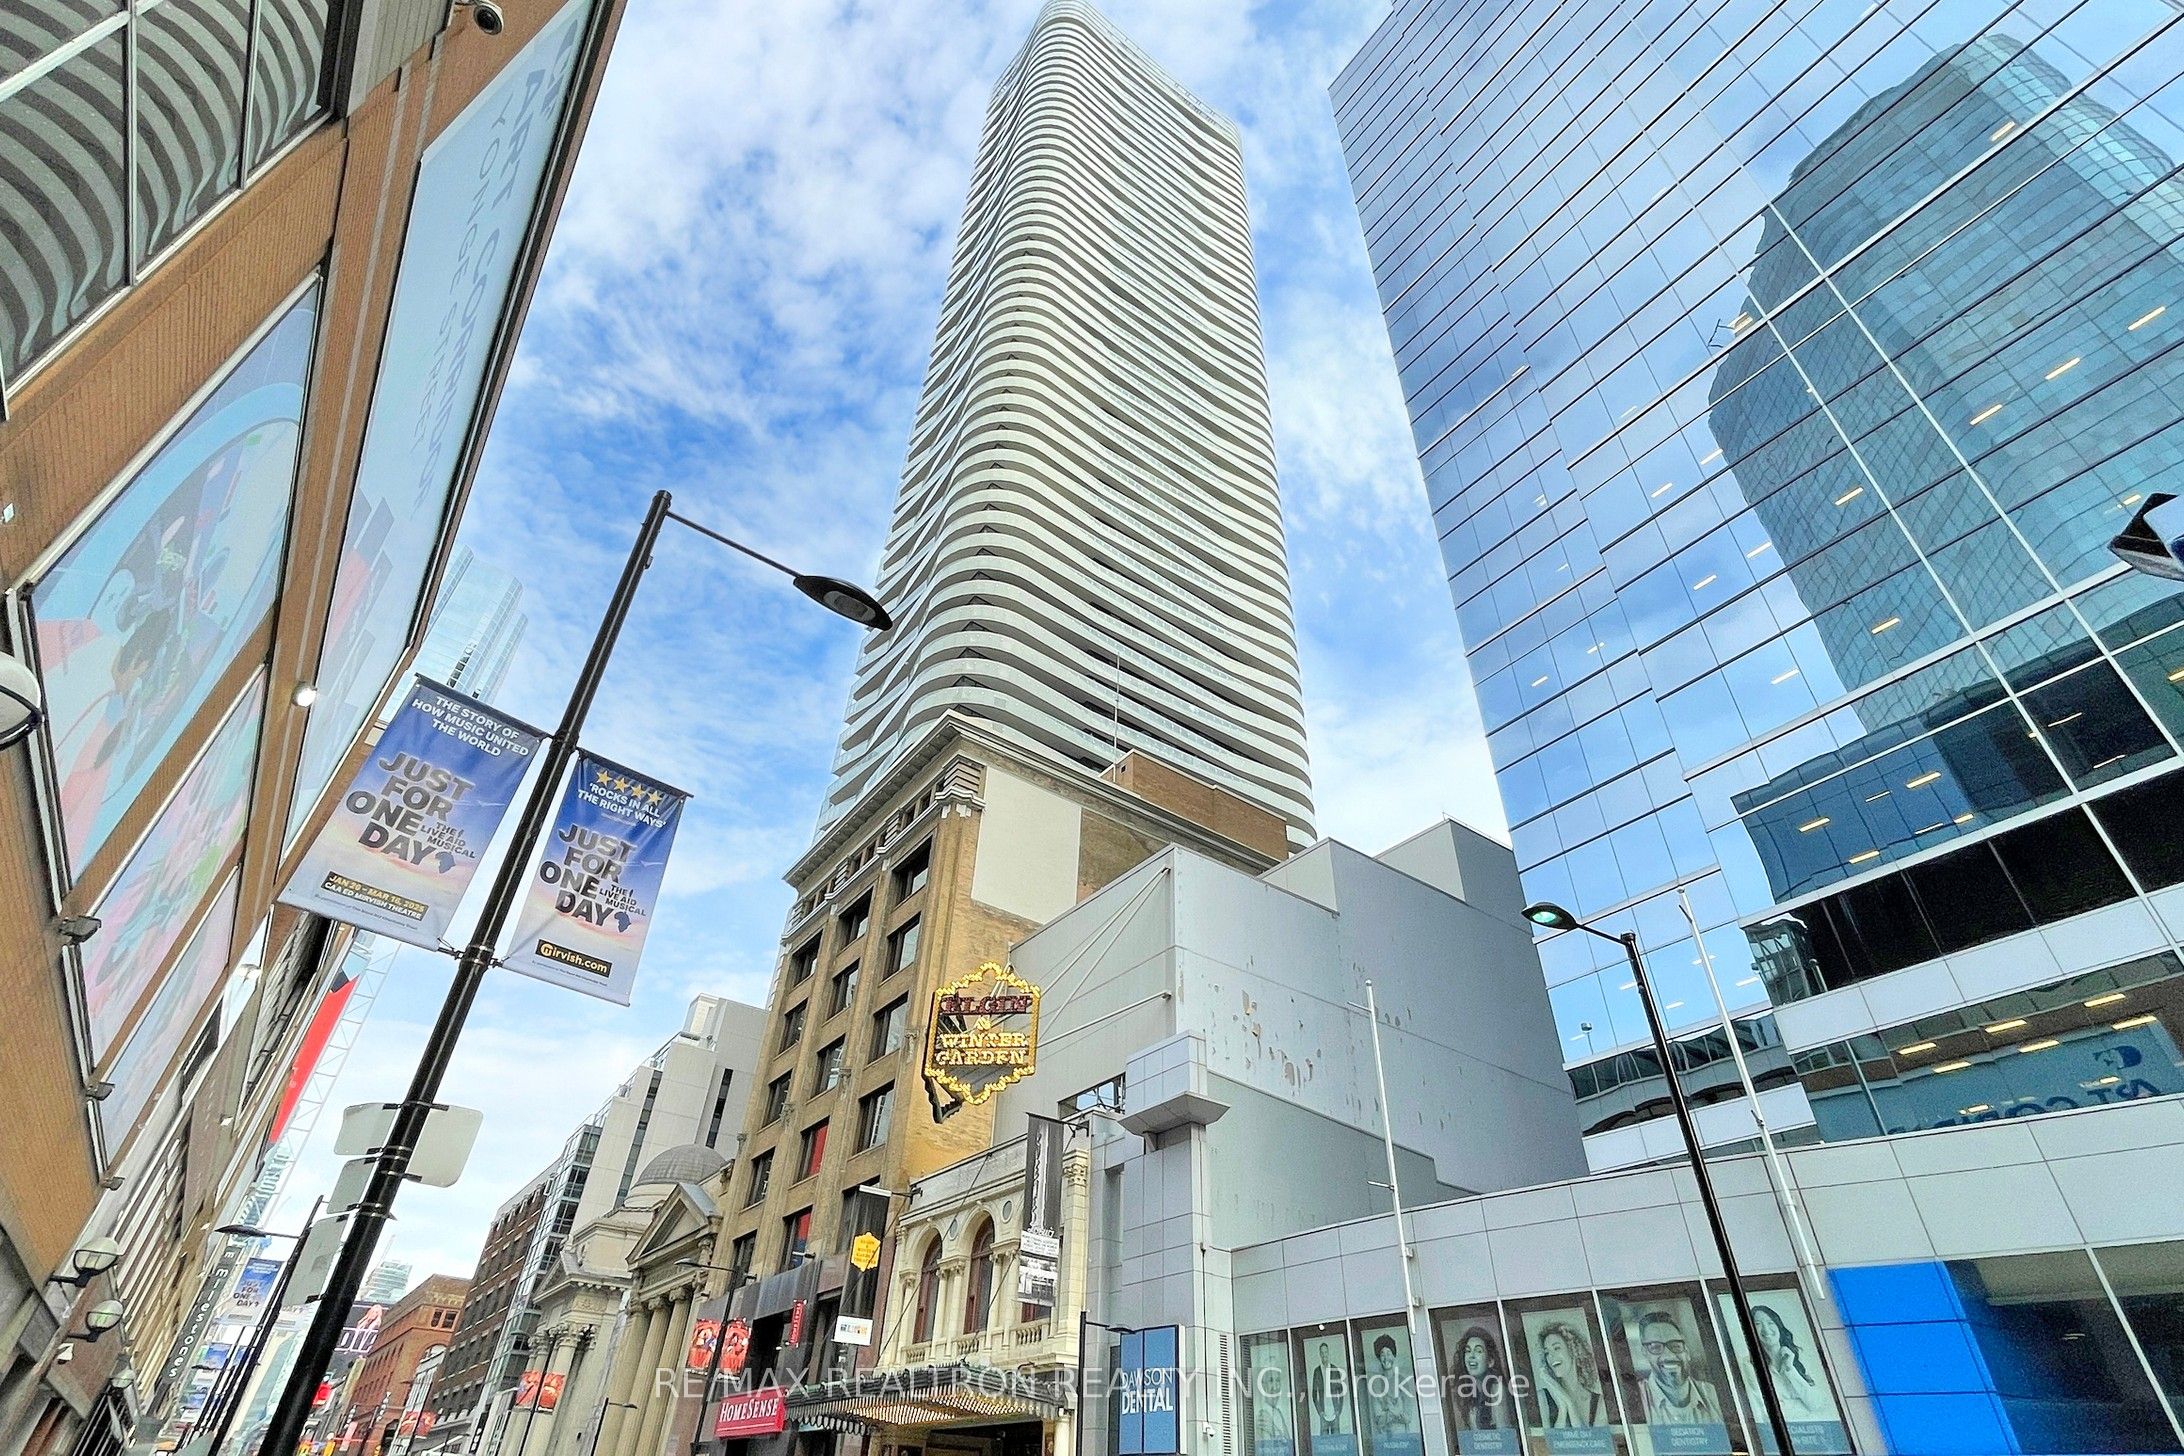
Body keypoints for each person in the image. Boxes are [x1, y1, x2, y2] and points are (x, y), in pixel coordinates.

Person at [1634, 1309, 1724, 1426]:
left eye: (1675, 1346)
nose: (1669, 1355)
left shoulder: (1714, 1395)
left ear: (1687, 1351)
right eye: (1655, 1347)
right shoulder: (1634, 1398)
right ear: (1645, 1353)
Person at [1752, 1305, 1831, 1421]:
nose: (1766, 1329)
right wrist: (1801, 1406)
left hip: (1813, 1428)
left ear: (1778, 1326)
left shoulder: (1799, 1357)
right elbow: (1763, 1413)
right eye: (1758, 1324)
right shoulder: (1750, 1365)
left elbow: (1817, 1404)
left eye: (1770, 1323)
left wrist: (1790, 1370)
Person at [1533, 1320, 1608, 1427]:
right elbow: (1555, 1437)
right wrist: (1563, 1408)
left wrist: (1569, 1403)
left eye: (1556, 1348)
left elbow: (1583, 1437)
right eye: (1547, 1352)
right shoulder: (1543, 1398)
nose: (1551, 1356)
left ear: (1573, 1350)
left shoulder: (1598, 1403)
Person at [1449, 1326, 1515, 1430]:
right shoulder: (1470, 1391)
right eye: (1468, 1351)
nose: (1472, 1356)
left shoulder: (1497, 1389)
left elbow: (1504, 1433)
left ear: (1490, 1361)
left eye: (1478, 1351)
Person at [1364, 1334, 1415, 1440]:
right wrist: (1396, 1411)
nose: (1386, 1358)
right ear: (1379, 1358)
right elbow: (1378, 1420)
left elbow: (1408, 1417)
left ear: (1394, 1356)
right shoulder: (1376, 1384)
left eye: (1389, 1353)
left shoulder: (1402, 1381)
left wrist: (1387, 1413)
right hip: (1383, 1438)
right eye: (1382, 1354)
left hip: (1402, 1438)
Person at [1307, 1339, 1350, 1437]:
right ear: (1319, 1354)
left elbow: (1341, 1392)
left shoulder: (1334, 1369)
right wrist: (1320, 1411)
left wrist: (1339, 1410)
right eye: (1322, 1353)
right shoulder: (1317, 1371)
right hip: (1324, 1413)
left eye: (1325, 1352)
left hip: (1335, 1412)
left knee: (1337, 1440)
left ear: (1328, 1353)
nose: (1324, 1355)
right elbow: (1314, 1394)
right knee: (1324, 1442)